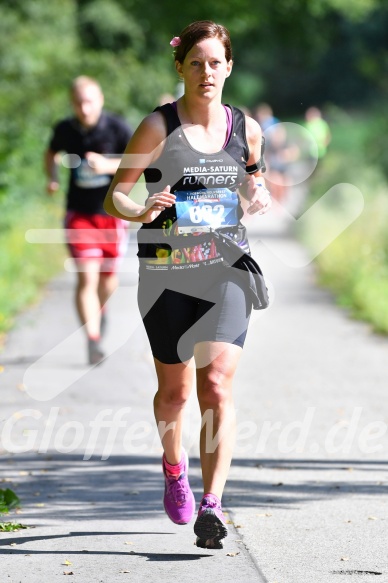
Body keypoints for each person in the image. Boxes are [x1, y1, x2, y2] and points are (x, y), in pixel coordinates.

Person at [104, 21, 271, 548]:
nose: (206, 72)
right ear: (180, 68)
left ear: (228, 68)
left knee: (216, 384)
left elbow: (255, 176)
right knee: (174, 396)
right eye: (195, 63)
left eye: (215, 62)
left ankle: (213, 503)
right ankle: (174, 468)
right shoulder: (157, 127)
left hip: (226, 267)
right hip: (164, 272)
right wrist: (142, 209)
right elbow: (117, 196)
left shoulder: (246, 128)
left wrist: (258, 194)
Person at [45, 76, 133, 365]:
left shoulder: (117, 127)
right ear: (72, 103)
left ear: (100, 100)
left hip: (112, 214)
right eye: (79, 102)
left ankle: (100, 309)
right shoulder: (65, 129)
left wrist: (108, 165)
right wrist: (53, 178)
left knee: (107, 280)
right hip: (79, 215)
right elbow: (51, 153)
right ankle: (93, 341)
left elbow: (140, 160)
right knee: (86, 277)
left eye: (89, 101)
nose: (84, 108)